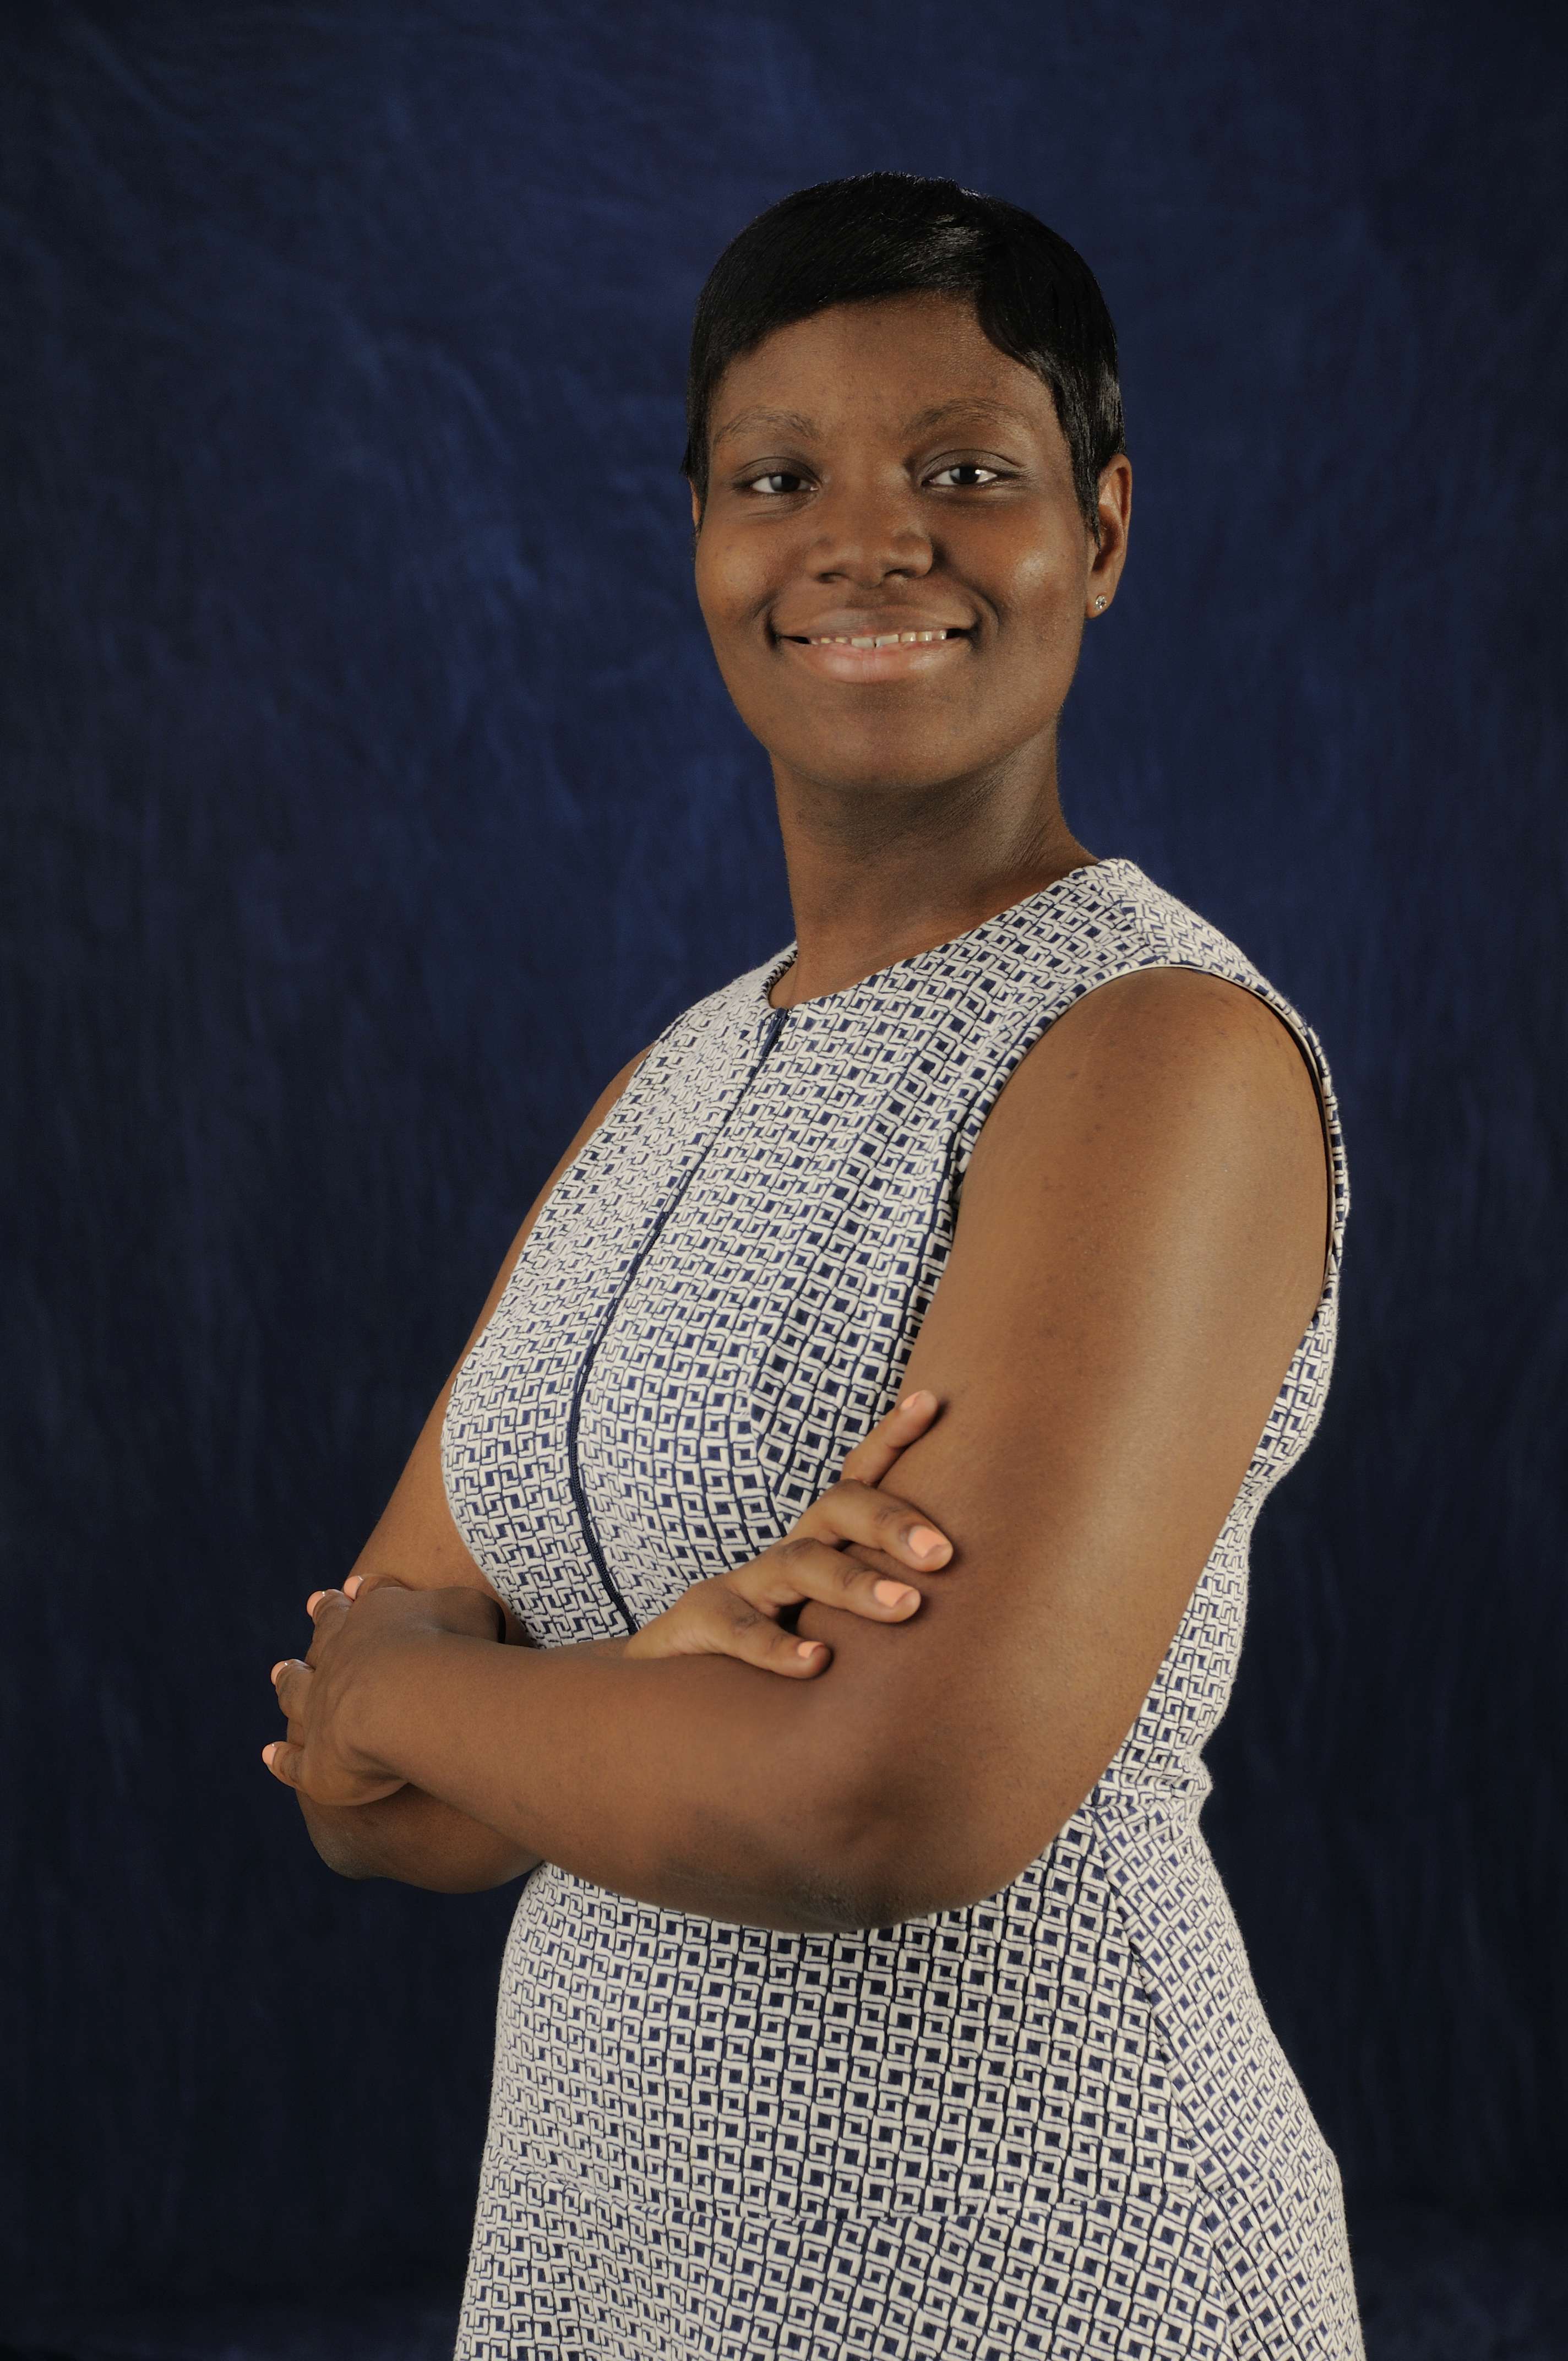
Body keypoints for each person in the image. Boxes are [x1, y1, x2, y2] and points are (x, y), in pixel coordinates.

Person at [263, 173, 1363, 2359]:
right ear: (700, 538)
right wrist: (640, 1684)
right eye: (780, 479)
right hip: (609, 2273)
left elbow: (880, 1799)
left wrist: (405, 1683)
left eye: (965, 471)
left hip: (1046, 2270)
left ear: (1102, 531)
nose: (869, 541)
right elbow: (373, 1824)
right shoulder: (667, 1083)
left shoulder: (1156, 1052)